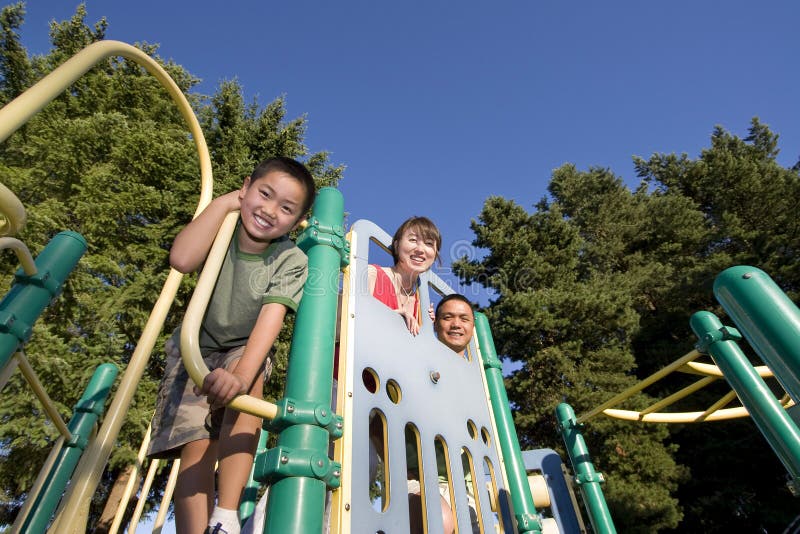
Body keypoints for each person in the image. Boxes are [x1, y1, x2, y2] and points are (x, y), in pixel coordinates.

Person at [147, 156, 316, 534]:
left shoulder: (291, 259)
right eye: (264, 194)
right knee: (196, 449)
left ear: (297, 221)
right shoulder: (223, 226)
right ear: (246, 188)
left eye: (286, 208)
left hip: (244, 346)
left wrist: (240, 375)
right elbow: (181, 258)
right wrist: (225, 202)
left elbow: (270, 320)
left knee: (248, 386)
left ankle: (225, 516)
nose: (270, 210)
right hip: (196, 348)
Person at [368, 216, 441, 335]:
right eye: (413, 240)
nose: (420, 249)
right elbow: (339, 324)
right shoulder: (371, 275)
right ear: (397, 246)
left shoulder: (423, 308)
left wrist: (428, 330)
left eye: (429, 243)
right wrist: (391, 318)